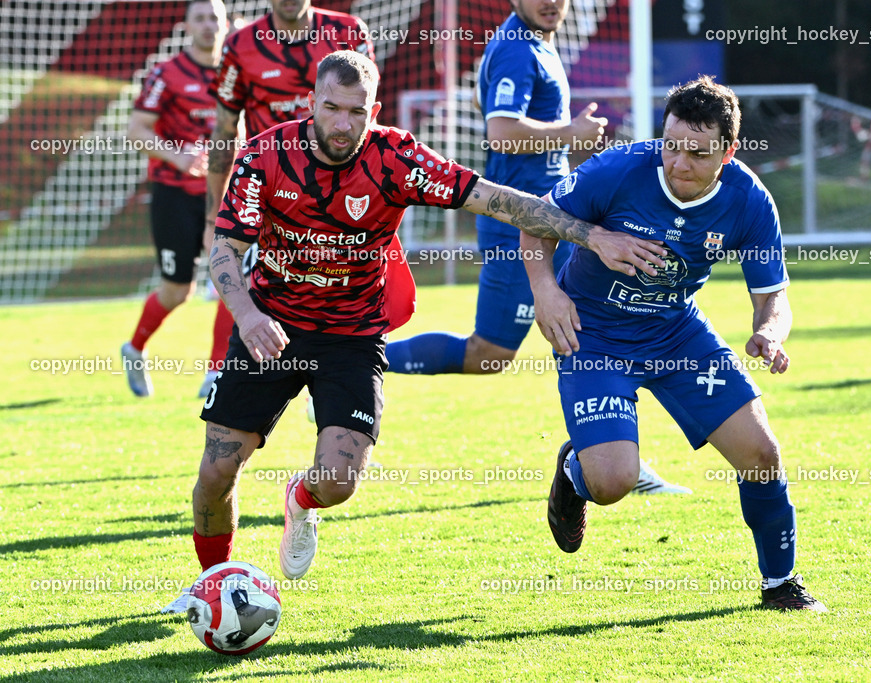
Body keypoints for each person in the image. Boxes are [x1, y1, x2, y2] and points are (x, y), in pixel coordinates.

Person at [161, 50, 665, 613]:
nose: (343, 123)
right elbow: (227, 249)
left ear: (373, 110)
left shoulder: (396, 158)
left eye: (357, 111)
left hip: (352, 334)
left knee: (338, 482)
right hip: (271, 322)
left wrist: (591, 236)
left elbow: (498, 200)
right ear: (312, 103)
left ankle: (299, 500)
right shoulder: (265, 155)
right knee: (217, 468)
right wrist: (248, 315)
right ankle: (216, 588)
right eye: (331, 108)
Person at [525, 76, 828, 611]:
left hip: (676, 331)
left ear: (728, 152)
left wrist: (769, 332)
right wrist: (547, 292)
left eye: (697, 152)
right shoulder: (619, 170)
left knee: (762, 455)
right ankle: (576, 474)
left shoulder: (748, 200)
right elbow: (533, 222)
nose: (678, 162)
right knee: (613, 482)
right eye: (670, 144)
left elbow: (773, 296)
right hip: (592, 334)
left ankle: (780, 585)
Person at [383, 0, 687, 494]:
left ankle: (615, 460)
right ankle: (361, 360)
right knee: (492, 352)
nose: (551, 2)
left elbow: (537, 142)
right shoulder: (515, 49)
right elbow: (501, 135)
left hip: (553, 222)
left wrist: (575, 149)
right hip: (520, 230)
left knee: (589, 329)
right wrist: (572, 132)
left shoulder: (538, 46)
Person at [199, 0, 374, 398]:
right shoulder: (240, 45)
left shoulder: (350, 32)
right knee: (247, 286)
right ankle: (227, 385)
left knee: (345, 299)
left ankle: (339, 411)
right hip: (271, 202)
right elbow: (225, 132)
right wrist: (214, 215)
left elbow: (368, 119)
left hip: (345, 202)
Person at [120, 0, 228, 397]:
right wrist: (178, 156)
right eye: (200, 17)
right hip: (174, 195)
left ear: (226, 23)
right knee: (177, 290)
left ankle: (217, 373)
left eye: (215, 17)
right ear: (185, 26)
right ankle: (135, 348)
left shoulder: (239, 73)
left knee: (231, 275)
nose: (208, 25)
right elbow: (136, 130)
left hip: (223, 193)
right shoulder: (167, 74)